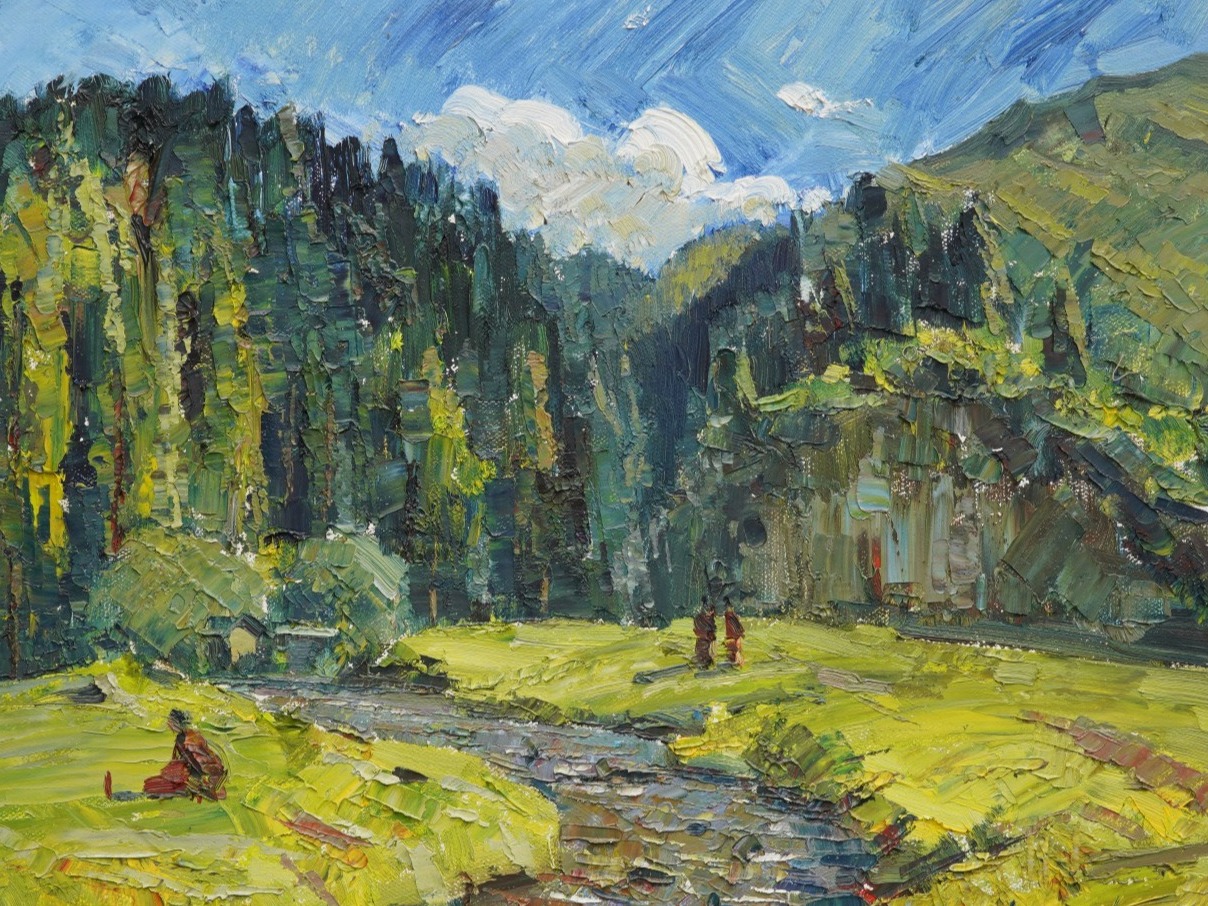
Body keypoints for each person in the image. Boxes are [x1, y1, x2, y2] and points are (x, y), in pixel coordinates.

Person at [143, 709, 228, 801]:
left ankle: (187, 791)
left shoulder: (185, 738)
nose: (168, 724)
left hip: (198, 777)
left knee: (151, 786)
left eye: (170, 721)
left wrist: (197, 783)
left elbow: (198, 763)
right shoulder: (189, 735)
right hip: (198, 774)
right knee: (153, 784)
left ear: (176, 722)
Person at [693, 597, 717, 669]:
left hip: (705, 639)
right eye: (710, 611)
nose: (711, 612)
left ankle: (704, 662)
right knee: (704, 652)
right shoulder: (701, 617)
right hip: (705, 639)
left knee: (705, 652)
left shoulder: (703, 617)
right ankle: (703, 663)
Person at [724, 597, 746, 667]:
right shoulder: (729, 615)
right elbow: (736, 626)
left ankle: (739, 663)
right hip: (733, 637)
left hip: (734, 637)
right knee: (734, 652)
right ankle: (737, 662)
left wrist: (740, 633)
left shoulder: (730, 615)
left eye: (728, 607)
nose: (728, 609)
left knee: (735, 651)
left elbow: (735, 626)